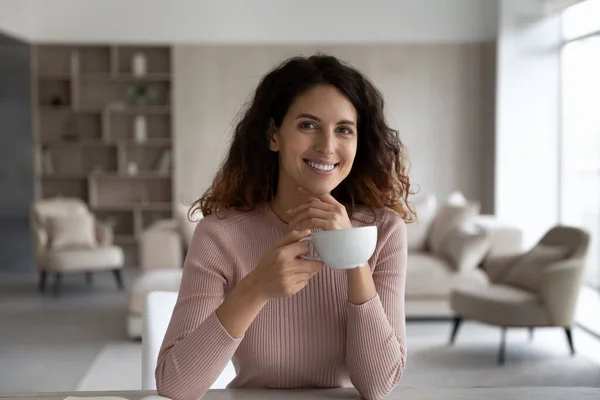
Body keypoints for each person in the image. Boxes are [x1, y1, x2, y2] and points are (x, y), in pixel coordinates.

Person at [155, 54, 414, 400]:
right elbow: (175, 385)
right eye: (308, 125)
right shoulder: (219, 235)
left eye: (344, 130)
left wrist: (353, 257)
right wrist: (256, 287)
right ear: (274, 135)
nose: (327, 146)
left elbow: (379, 385)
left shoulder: (385, 232)